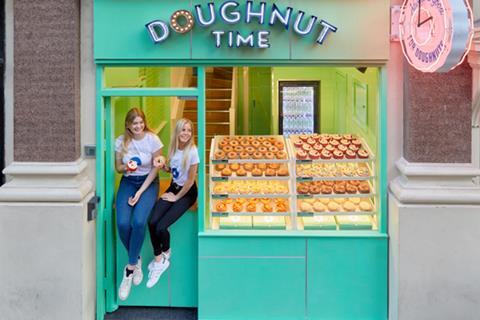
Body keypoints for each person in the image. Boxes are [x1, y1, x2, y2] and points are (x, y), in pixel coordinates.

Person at [114, 108, 165, 300]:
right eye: (134, 123)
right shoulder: (121, 141)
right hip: (128, 181)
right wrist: (125, 167)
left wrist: (140, 192)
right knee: (122, 224)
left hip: (149, 182)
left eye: (141, 122)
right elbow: (117, 167)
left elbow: (156, 168)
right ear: (128, 125)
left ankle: (129, 270)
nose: (138, 126)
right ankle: (136, 259)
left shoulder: (153, 140)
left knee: (139, 222)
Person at [146, 118, 199, 288]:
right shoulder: (174, 148)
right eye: (183, 130)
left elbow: (190, 181)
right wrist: (164, 168)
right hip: (173, 187)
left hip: (187, 193)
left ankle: (167, 252)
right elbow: (175, 171)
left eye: (189, 130)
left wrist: (176, 198)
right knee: (152, 221)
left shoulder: (193, 152)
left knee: (161, 227)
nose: (186, 133)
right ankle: (159, 259)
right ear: (177, 131)